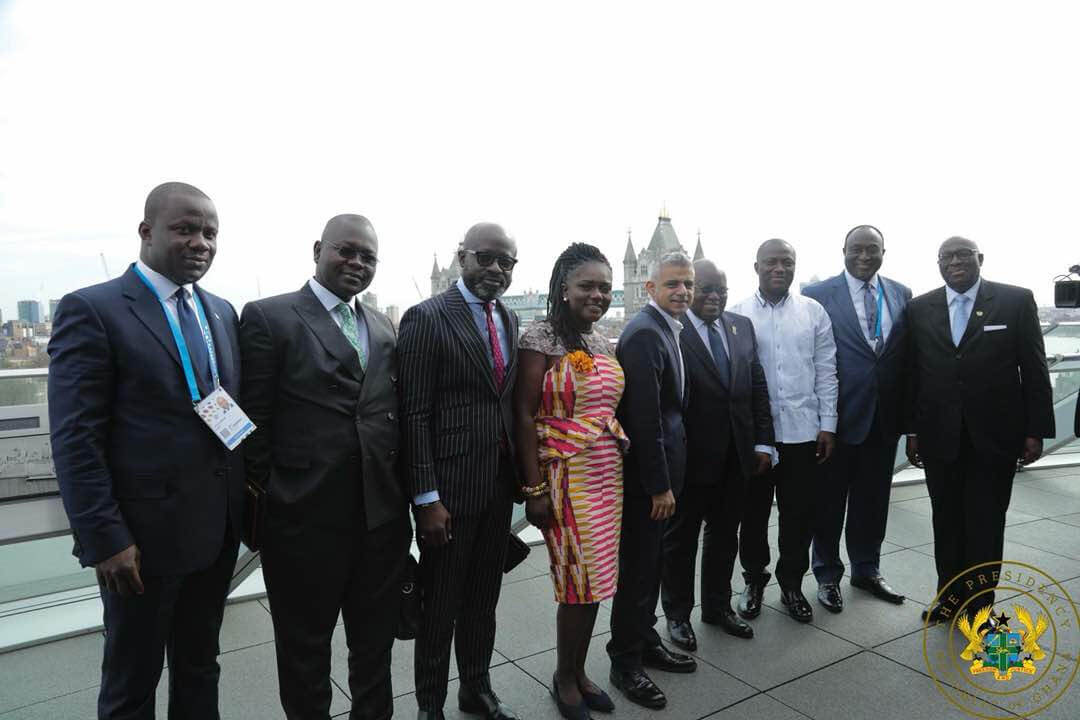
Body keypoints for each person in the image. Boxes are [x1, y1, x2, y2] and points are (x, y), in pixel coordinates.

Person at [48, 182, 244, 719]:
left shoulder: (221, 312)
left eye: (210, 232)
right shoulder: (94, 309)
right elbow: (74, 438)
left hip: (215, 531)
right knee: (132, 682)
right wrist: (105, 538)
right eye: (185, 229)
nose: (200, 242)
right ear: (146, 231)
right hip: (140, 544)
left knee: (201, 665)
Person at [238, 215, 410, 719]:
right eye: (346, 251)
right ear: (318, 249)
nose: (357, 263)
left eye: (369, 257)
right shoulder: (271, 317)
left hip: (379, 520)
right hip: (302, 521)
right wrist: (275, 493)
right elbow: (253, 420)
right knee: (304, 652)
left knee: (374, 645)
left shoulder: (381, 325)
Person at [399, 223, 521, 720]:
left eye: (505, 262)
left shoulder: (509, 319)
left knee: (483, 601)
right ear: (461, 257)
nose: (494, 269)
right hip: (448, 493)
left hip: (497, 487)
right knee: (440, 606)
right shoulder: (426, 317)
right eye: (484, 258)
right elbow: (413, 414)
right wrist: (426, 498)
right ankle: (431, 705)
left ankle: (477, 687)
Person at [905, 236, 1053, 623]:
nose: (955, 262)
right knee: (947, 521)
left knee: (986, 524)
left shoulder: (1015, 301)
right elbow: (913, 375)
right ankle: (948, 599)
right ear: (938, 264)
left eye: (963, 255)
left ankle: (979, 608)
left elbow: (1035, 369)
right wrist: (913, 431)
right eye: (946, 257)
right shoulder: (919, 308)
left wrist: (1035, 431)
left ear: (980, 259)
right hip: (939, 437)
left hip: (996, 437)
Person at [514, 244, 628, 720]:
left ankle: (580, 672)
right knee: (575, 582)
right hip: (564, 475)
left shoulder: (600, 341)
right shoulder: (539, 337)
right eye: (587, 285)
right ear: (563, 288)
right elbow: (522, 414)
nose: (597, 295)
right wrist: (534, 490)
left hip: (607, 473)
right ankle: (563, 678)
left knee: (598, 580)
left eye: (604, 287)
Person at [661, 259, 774, 649]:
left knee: (726, 537)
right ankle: (677, 616)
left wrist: (764, 441)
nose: (714, 296)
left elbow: (756, 386)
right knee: (681, 542)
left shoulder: (741, 325)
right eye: (705, 289)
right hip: (689, 460)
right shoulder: (671, 331)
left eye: (720, 290)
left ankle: (717, 607)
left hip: (737, 456)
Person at [802, 226, 910, 613]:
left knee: (872, 502)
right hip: (835, 421)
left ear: (884, 251)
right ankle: (827, 575)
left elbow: (904, 360)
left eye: (872, 249)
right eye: (857, 249)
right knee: (828, 503)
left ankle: (867, 569)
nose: (864, 256)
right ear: (843, 251)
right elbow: (809, 360)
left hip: (883, 419)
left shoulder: (900, 293)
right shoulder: (816, 295)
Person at [607, 251, 698, 711]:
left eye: (688, 284)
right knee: (640, 572)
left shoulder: (667, 328)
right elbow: (644, 420)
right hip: (650, 482)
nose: (683, 292)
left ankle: (644, 640)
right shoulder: (645, 333)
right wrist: (659, 485)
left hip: (665, 474)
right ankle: (624, 662)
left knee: (651, 566)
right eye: (673, 284)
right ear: (649, 287)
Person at [730, 239, 838, 624]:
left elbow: (826, 370)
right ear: (756, 266)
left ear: (795, 267)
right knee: (753, 516)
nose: (780, 268)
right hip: (755, 437)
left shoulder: (813, 312)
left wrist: (828, 424)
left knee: (798, 515)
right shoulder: (735, 314)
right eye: (771, 262)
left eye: (787, 262)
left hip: (802, 433)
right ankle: (753, 581)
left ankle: (791, 583)